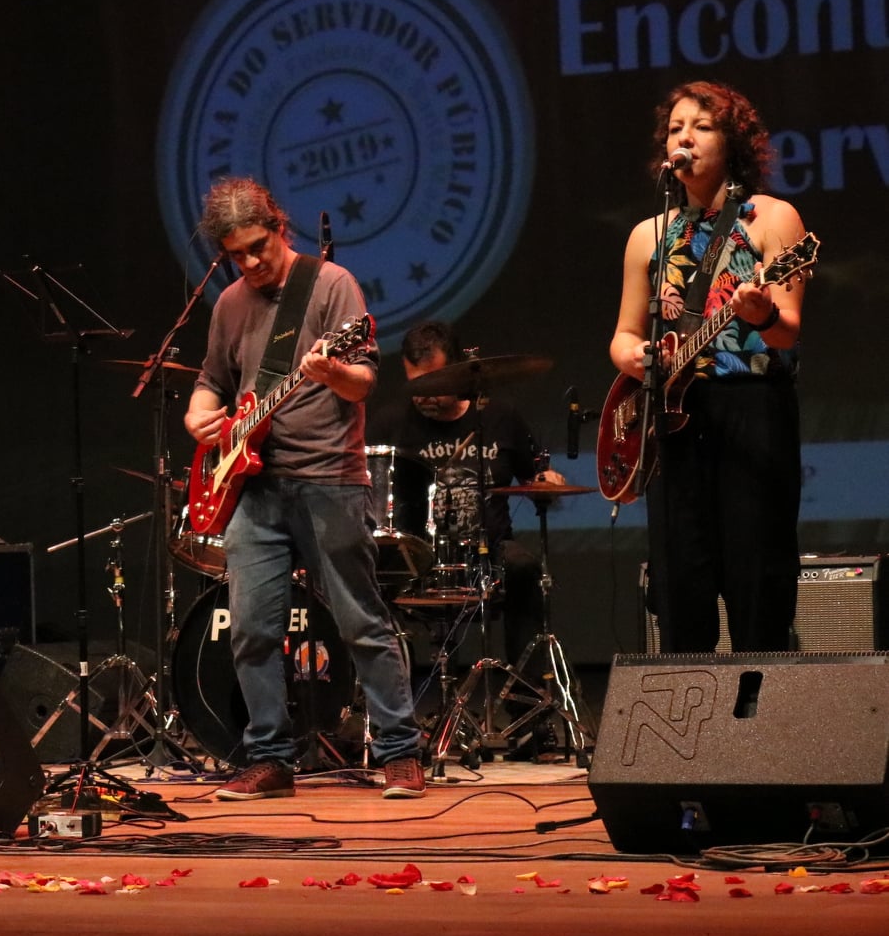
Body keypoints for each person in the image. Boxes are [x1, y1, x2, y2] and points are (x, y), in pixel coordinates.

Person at [183, 177, 425, 801]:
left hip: (328, 479)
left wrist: (331, 370)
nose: (250, 263)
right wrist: (198, 415)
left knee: (359, 621)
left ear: (278, 227)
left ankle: (399, 751)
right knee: (251, 630)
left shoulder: (331, 284)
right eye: (236, 255)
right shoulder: (230, 303)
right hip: (253, 486)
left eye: (258, 247)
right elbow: (212, 380)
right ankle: (269, 758)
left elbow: (363, 382)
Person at [609, 81, 808, 652]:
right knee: (680, 582)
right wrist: (636, 357)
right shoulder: (648, 235)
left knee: (756, 572)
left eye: (701, 126)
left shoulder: (772, 218)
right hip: (672, 419)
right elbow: (623, 337)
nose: (686, 138)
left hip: (751, 408)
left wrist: (761, 312)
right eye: (676, 128)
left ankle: (761, 700)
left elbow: (787, 331)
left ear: (733, 140)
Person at [383, 320, 566, 669]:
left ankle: (527, 691)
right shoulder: (392, 424)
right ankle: (392, 696)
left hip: (489, 552)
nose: (424, 394)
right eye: (417, 384)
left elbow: (535, 477)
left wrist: (548, 482)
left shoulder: (499, 418)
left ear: (457, 370)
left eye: (434, 382)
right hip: (418, 556)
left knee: (523, 568)